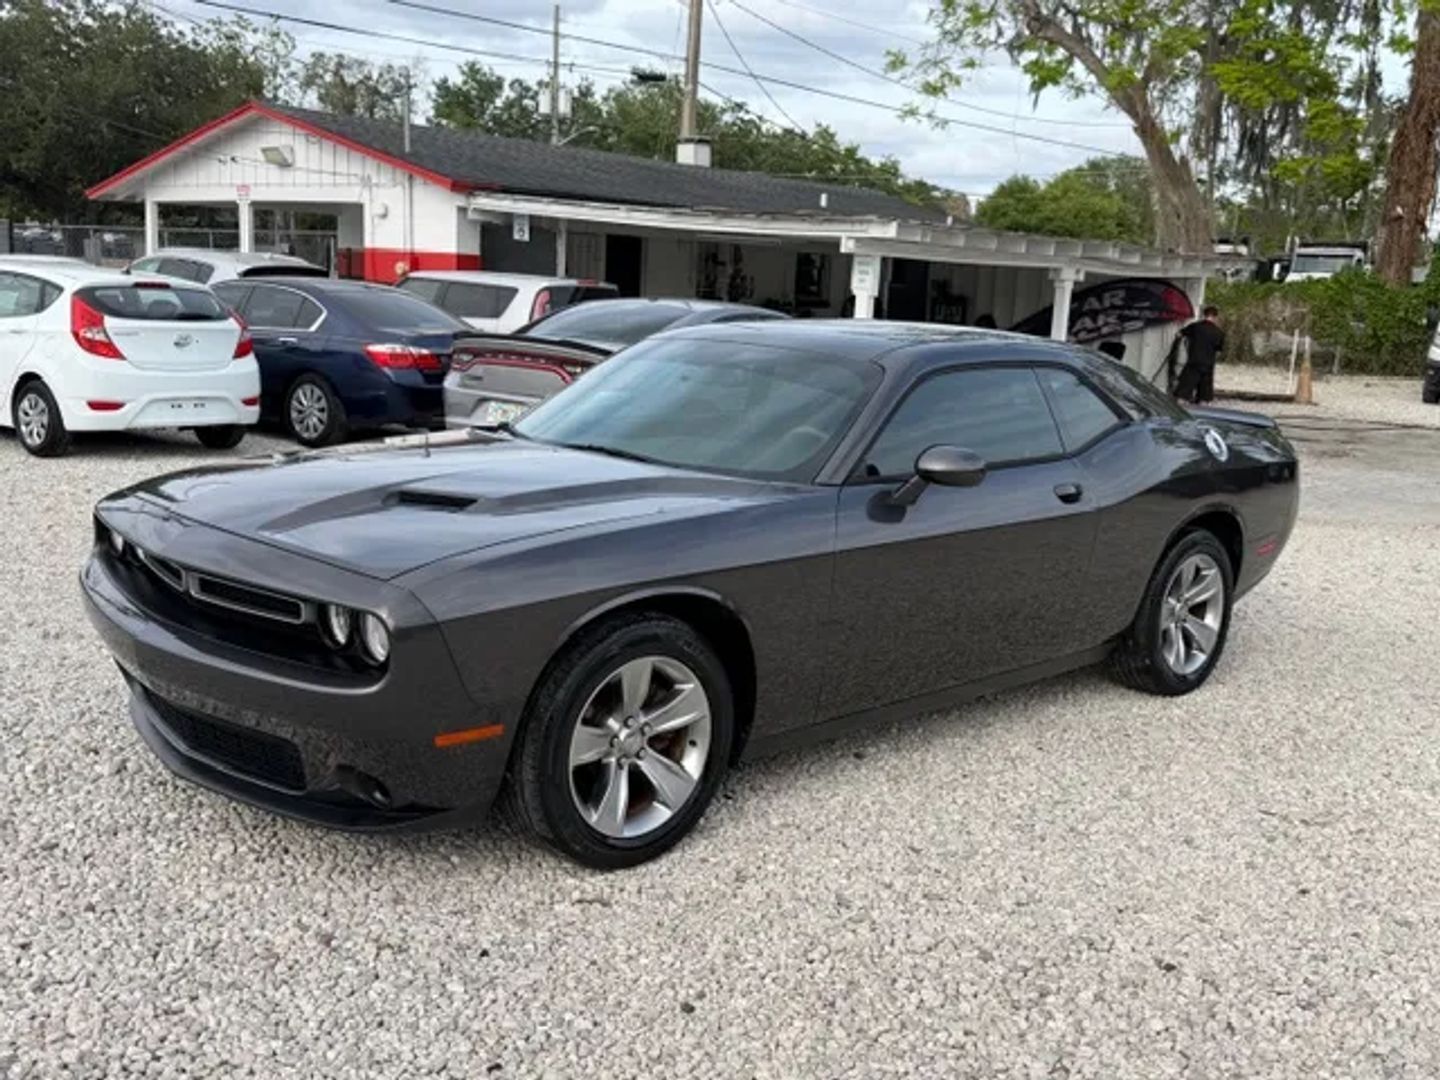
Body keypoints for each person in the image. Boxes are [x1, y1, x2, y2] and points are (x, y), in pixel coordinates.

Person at [1171, 305, 1225, 404]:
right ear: (1216, 317)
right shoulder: (1219, 333)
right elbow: (1218, 352)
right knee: (1204, 397)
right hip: (1208, 365)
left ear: (1204, 315)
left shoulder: (1195, 326)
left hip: (1193, 362)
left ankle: (1180, 410)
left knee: (1183, 393)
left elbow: (1179, 334)